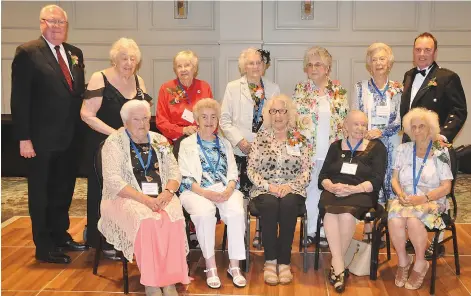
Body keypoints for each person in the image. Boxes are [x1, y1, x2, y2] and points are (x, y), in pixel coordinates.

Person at [10, 4, 87, 264]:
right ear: (41, 23)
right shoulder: (28, 53)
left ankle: (60, 234)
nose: (56, 26)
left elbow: (75, 93)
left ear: (67, 25)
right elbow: (20, 99)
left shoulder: (75, 53)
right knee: (41, 193)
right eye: (51, 22)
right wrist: (24, 138)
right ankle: (43, 246)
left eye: (60, 22)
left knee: (63, 190)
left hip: (71, 138)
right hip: (40, 141)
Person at [98, 100, 189, 296]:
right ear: (125, 122)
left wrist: (168, 192)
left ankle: (170, 280)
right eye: (136, 119)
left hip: (161, 194)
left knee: (173, 217)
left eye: (146, 118)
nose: (142, 123)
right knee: (147, 221)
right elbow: (113, 181)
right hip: (125, 197)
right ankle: (152, 282)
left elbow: (174, 170)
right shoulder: (114, 143)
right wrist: (145, 200)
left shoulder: (159, 140)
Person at [80, 38, 152, 258]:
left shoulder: (139, 81)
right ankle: (99, 239)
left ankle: (126, 236)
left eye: (132, 59)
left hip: (131, 147)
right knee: (105, 192)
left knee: (129, 190)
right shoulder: (99, 78)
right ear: (115, 59)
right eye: (124, 58)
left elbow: (144, 113)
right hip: (104, 145)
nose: (128, 63)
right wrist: (117, 135)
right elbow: (86, 114)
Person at [400, 32, 467, 259]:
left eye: (427, 50)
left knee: (434, 193)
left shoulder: (448, 77)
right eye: (418, 49)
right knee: (411, 189)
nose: (422, 54)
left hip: (434, 147)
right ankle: (414, 234)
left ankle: (434, 241)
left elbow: (459, 111)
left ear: (435, 52)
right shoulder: (409, 75)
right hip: (412, 144)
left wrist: (442, 136)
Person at [178, 98, 247, 289]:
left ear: (218, 120)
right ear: (197, 120)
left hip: (224, 189)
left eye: (213, 117)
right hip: (196, 191)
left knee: (236, 213)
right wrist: (206, 193)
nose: (209, 121)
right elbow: (185, 177)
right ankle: (211, 267)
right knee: (205, 214)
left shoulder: (225, 143)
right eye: (204, 117)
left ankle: (234, 266)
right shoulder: (187, 144)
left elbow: (233, 172)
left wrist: (229, 189)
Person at [318, 110, 387, 293]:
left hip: (361, 192)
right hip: (334, 190)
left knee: (347, 217)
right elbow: (322, 176)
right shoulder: (335, 147)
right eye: (356, 124)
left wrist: (353, 189)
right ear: (345, 126)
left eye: (364, 124)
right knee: (330, 213)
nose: (360, 128)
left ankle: (337, 265)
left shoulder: (377, 147)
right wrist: (332, 187)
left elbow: (377, 180)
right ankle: (339, 265)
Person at [247, 94, 311, 286]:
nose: (278, 116)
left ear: (289, 114)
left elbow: (307, 170)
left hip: (292, 188)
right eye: (273, 111)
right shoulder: (261, 137)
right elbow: (251, 169)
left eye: (282, 111)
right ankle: (270, 260)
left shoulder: (299, 138)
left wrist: (288, 186)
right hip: (264, 188)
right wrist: (269, 186)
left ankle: (284, 261)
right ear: (268, 114)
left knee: (289, 203)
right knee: (269, 204)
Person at [220, 47, 280, 248]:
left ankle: (259, 232)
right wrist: (240, 142)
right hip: (239, 150)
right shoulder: (233, 87)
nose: (255, 67)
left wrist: (261, 143)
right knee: (241, 195)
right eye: (251, 63)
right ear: (244, 66)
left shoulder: (273, 89)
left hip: (263, 151)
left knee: (262, 193)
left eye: (258, 63)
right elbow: (225, 120)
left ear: (264, 66)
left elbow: (277, 121)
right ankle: (241, 233)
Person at [388, 108, 453, 290]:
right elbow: (394, 178)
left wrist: (423, 198)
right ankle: (403, 261)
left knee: (414, 221)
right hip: (406, 198)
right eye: (413, 127)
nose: (416, 131)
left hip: (432, 200)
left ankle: (420, 262)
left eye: (421, 127)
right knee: (394, 219)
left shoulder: (440, 151)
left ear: (430, 128)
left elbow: (446, 187)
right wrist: (400, 193)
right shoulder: (403, 149)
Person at [292, 46, 349, 247]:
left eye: (318, 64)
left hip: (332, 151)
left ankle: (326, 231)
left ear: (327, 68)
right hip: (308, 151)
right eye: (310, 65)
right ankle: (310, 231)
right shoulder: (300, 90)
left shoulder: (339, 92)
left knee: (329, 191)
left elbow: (345, 120)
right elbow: (293, 120)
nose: (313, 68)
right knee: (310, 190)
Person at [352, 42, 402, 246]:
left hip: (390, 143)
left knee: (390, 183)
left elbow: (400, 120)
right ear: (369, 65)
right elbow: (355, 117)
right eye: (374, 59)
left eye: (382, 59)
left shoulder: (399, 88)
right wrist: (365, 132)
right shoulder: (360, 88)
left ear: (389, 63)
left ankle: (386, 229)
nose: (379, 63)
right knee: (370, 184)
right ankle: (369, 228)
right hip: (368, 146)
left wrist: (381, 131)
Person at [156, 50, 213, 142]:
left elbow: (212, 117)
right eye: (179, 66)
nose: (183, 69)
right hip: (175, 140)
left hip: (200, 138)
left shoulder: (204, 87)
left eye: (187, 65)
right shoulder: (166, 88)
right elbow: (161, 121)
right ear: (175, 70)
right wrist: (182, 130)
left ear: (194, 68)